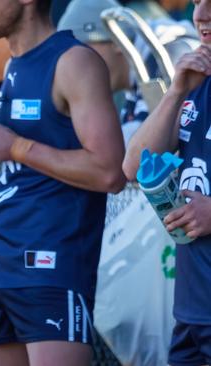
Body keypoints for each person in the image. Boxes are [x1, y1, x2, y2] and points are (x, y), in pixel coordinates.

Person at [0, 0, 126, 365]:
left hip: (49, 267)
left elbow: (109, 171)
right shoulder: (12, 63)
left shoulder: (73, 61)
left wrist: (17, 147)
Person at [123, 0, 211, 364]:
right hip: (192, 309)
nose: (201, 15)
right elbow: (133, 166)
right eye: (196, 1)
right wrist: (176, 92)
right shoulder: (198, 82)